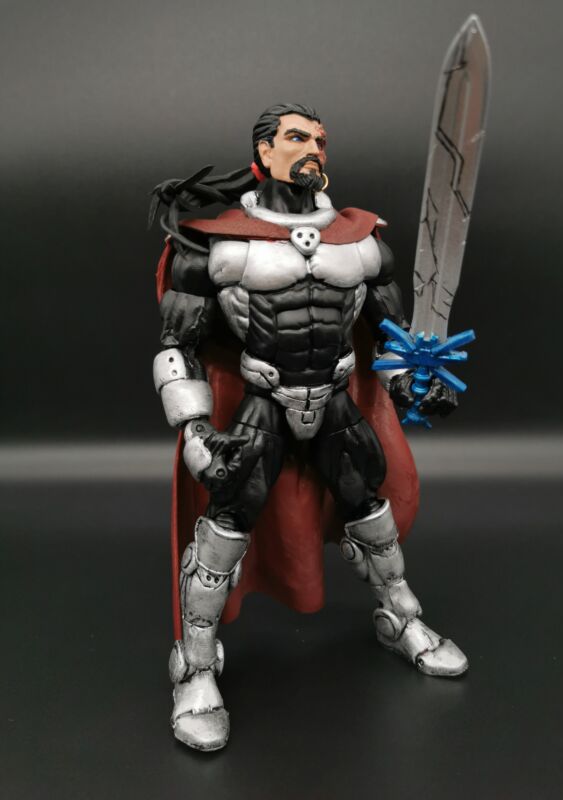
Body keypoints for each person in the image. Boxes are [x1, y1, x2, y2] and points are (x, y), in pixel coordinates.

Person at [151, 102, 467, 752]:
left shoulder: (361, 242)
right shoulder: (214, 245)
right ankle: (196, 668)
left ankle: (402, 619)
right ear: (263, 152)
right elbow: (177, 348)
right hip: (263, 402)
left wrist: (416, 382)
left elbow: (390, 339)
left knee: (368, 509)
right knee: (227, 523)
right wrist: (196, 429)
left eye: (320, 139)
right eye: (297, 137)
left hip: (336, 401)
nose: (314, 148)